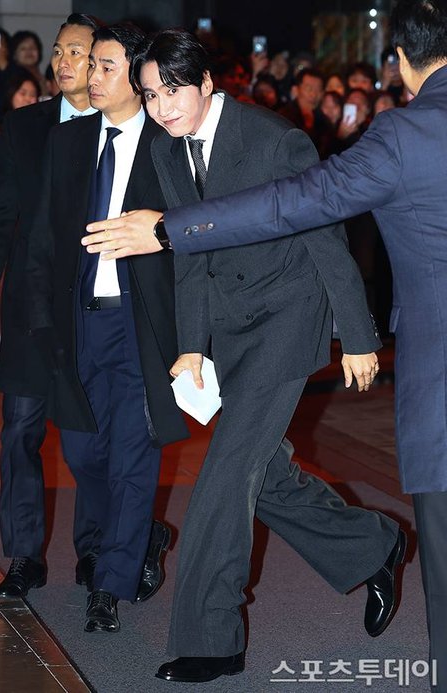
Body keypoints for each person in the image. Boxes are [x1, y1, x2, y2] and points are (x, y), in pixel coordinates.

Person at [89, 2, 446, 689]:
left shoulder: (273, 138)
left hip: (287, 318)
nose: (162, 108)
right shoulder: (166, 147)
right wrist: (191, 344)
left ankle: (210, 639)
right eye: (151, 95)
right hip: (228, 328)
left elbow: (326, 238)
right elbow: (190, 256)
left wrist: (357, 335)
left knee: (225, 472)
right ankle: (373, 544)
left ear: (207, 83)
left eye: (173, 91)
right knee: (264, 469)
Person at [0, 14, 168, 605]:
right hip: (34, 310)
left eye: (79, 53)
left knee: (93, 439)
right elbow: (0, 216)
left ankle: (98, 548)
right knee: (20, 431)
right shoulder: (28, 126)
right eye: (59, 52)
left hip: (96, 312)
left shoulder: (139, 132)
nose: (64, 63)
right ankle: (25, 556)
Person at [27, 23, 188, 634]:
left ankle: (110, 584)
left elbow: (195, 236)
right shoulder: (67, 142)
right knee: (82, 452)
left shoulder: (168, 143)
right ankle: (138, 534)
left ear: (138, 76)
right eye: (91, 64)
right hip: (79, 324)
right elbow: (41, 238)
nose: (92, 76)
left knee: (131, 456)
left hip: (141, 326)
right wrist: (42, 324)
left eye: (106, 66)